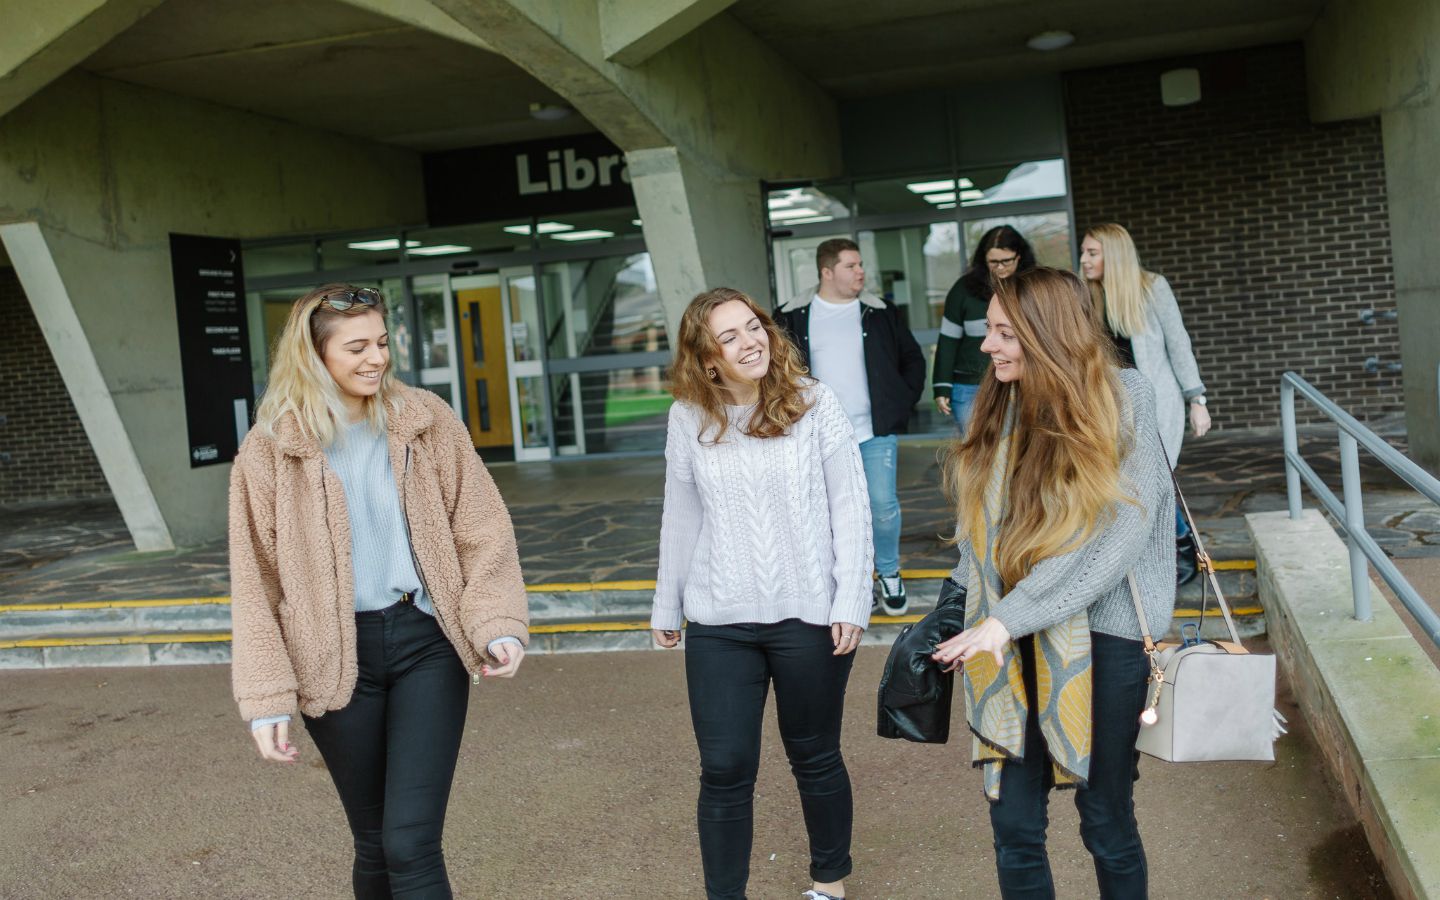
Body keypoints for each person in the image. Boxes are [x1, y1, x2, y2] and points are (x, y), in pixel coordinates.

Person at [229, 283, 529, 899]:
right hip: (333, 658)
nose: (377, 358)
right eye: (357, 346)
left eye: (383, 343)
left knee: (410, 841)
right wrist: (266, 697)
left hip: (426, 642)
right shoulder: (270, 450)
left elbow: (480, 524)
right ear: (314, 357)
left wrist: (496, 620)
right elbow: (255, 581)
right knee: (373, 842)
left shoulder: (426, 420)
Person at [931, 268, 1176, 899]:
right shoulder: (1001, 406)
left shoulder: (1125, 398)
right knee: (1013, 825)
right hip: (1003, 642)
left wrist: (1009, 617)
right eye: (989, 330)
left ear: (1049, 334)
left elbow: (1115, 538)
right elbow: (980, 533)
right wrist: (953, 605)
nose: (988, 346)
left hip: (1102, 641)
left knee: (1106, 824)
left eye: (1005, 333)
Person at [651, 287, 872, 900]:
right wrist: (667, 602)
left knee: (814, 756)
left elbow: (851, 508)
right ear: (706, 358)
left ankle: (829, 883)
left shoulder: (813, 404)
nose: (750, 342)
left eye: (754, 327)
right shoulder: (688, 416)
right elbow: (681, 514)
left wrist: (851, 599)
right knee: (724, 768)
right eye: (730, 336)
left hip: (809, 614)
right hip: (720, 620)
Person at [775, 238, 927, 616]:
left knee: (881, 506)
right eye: (851, 266)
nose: (861, 272)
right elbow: (775, 370)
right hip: (817, 435)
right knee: (827, 512)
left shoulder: (879, 311)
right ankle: (851, 582)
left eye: (861, 265)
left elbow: (912, 359)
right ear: (827, 272)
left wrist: (899, 402)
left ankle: (889, 573)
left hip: (873, 431)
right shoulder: (791, 315)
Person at [1080, 223, 1211, 585]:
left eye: (1092, 253)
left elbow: (1178, 343)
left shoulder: (1152, 288)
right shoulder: (1087, 296)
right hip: (1110, 408)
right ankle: (1144, 556)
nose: (1084, 260)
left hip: (1155, 405)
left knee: (1155, 481)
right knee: (1123, 484)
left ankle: (1183, 549)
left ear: (1114, 254)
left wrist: (1196, 399)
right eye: (1084, 252)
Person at [933, 225, 1037, 432]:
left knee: (1018, 454)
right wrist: (941, 385)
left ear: (1019, 257)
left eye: (1006, 261)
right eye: (993, 262)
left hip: (1024, 383)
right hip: (971, 387)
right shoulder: (963, 289)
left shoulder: (1035, 288)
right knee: (978, 452)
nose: (1000, 267)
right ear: (983, 261)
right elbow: (948, 340)